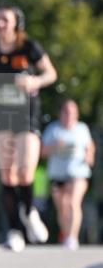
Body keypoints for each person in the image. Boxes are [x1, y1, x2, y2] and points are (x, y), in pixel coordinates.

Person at [0, 4, 57, 252]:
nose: (0, 24)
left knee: (25, 171)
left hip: (27, 114)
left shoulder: (29, 47)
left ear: (17, 23)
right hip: (1, 116)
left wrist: (35, 80)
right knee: (7, 175)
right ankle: (15, 231)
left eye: (5, 19)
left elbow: (51, 74)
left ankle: (30, 211)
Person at [41, 99, 96, 250]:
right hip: (57, 175)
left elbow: (90, 146)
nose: (69, 115)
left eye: (72, 112)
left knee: (73, 202)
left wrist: (89, 156)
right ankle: (66, 235)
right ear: (61, 113)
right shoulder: (53, 129)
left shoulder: (82, 128)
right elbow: (43, 152)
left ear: (76, 114)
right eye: (66, 111)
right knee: (62, 207)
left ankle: (72, 237)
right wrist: (54, 146)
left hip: (78, 172)